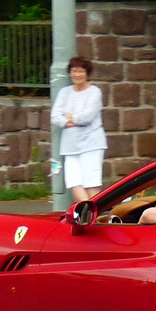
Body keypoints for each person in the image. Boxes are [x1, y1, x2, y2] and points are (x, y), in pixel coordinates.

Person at [51, 55, 105, 203]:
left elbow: (87, 117)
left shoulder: (94, 92)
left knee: (91, 184)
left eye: (80, 71)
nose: (77, 74)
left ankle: (96, 219)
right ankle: (86, 216)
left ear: (87, 73)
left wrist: (69, 117)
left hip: (91, 144)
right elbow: (55, 117)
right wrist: (71, 119)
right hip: (70, 146)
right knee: (74, 183)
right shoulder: (64, 92)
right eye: (74, 71)